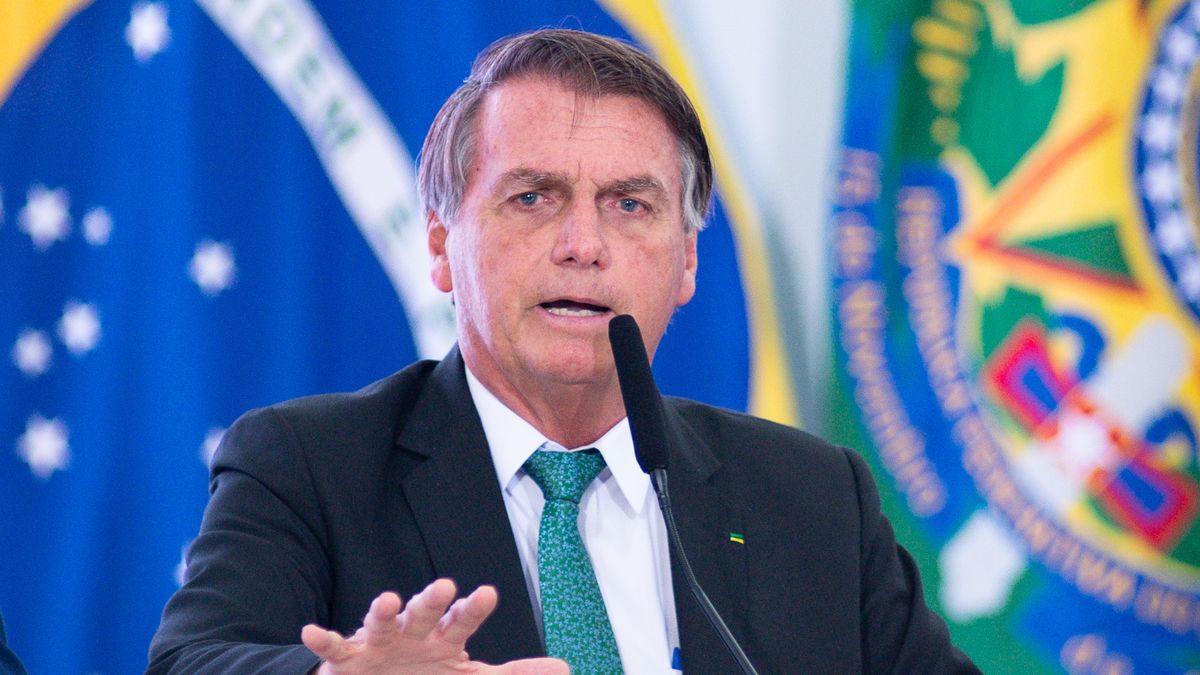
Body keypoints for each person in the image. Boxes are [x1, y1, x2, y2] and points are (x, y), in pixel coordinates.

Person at [148, 28, 979, 674]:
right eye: (534, 197)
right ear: (440, 244)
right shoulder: (310, 467)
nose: (584, 244)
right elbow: (191, 662)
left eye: (629, 204)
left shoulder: (811, 496)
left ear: (687, 260)